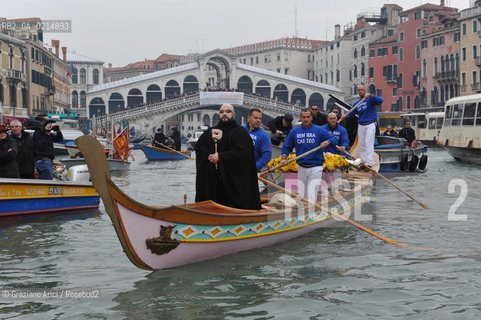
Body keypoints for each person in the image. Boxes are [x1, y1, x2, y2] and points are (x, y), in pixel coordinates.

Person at [195, 104, 261, 210]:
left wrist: (221, 157)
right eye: (221, 112)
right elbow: (200, 148)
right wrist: (209, 157)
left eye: (228, 111)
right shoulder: (209, 133)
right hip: (214, 182)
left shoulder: (241, 133)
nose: (224, 114)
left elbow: (243, 154)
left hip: (233, 187)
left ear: (233, 114)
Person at [280, 108, 335, 204]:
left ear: (311, 118)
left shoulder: (319, 130)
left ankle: (310, 213)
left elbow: (334, 139)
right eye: (304, 117)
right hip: (301, 167)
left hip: (316, 167)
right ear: (300, 118)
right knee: (301, 195)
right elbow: (286, 147)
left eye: (308, 117)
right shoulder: (294, 132)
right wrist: (284, 158)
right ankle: (302, 214)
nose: (306, 119)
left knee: (311, 195)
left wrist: (327, 142)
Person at [340, 84, 383, 168]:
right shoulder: (357, 103)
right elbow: (351, 113)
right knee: (361, 144)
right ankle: (363, 162)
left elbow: (380, 101)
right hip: (361, 125)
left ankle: (369, 163)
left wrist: (371, 96)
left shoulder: (371, 99)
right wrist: (345, 115)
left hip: (370, 123)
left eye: (361, 90)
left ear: (365, 90)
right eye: (359, 90)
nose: (360, 91)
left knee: (368, 143)